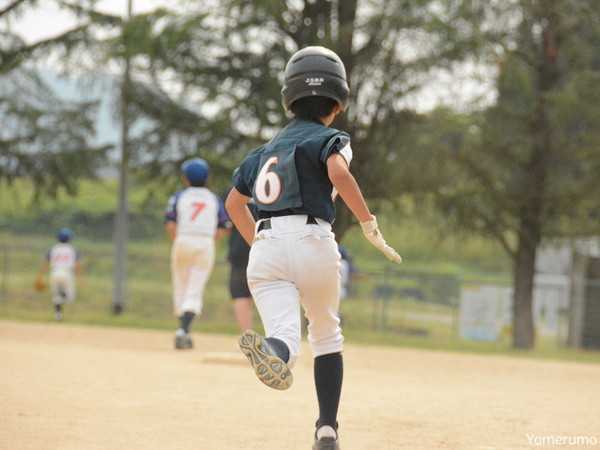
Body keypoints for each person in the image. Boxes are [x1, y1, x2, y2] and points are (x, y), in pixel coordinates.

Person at [225, 46, 401, 450]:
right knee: (325, 334)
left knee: (284, 334)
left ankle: (274, 351)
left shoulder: (262, 152)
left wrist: (260, 242)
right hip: (313, 240)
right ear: (338, 105)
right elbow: (338, 172)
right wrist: (368, 223)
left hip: (266, 244)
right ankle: (326, 429)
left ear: (289, 100)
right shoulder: (331, 138)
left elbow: (234, 204)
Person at [165, 158, 228, 350]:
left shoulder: (179, 196)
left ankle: (183, 329)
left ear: (185, 178)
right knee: (195, 287)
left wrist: (178, 239)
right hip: (205, 242)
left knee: (180, 285)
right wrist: (210, 240)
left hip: (183, 239)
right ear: (207, 177)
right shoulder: (213, 199)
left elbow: (170, 223)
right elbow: (224, 226)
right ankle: (184, 330)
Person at [227, 191, 258, 331]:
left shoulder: (238, 187)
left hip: (240, 250)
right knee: (275, 289)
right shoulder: (278, 182)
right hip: (269, 246)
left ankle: (248, 333)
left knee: (241, 293)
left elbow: (226, 225)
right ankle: (279, 335)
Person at [37, 228, 81, 321]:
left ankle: (58, 315)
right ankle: (62, 296)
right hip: (67, 273)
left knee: (56, 297)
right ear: (69, 238)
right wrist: (79, 277)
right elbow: (77, 264)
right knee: (70, 297)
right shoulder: (72, 249)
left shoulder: (53, 248)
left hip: (54, 273)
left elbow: (45, 263)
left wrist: (40, 276)